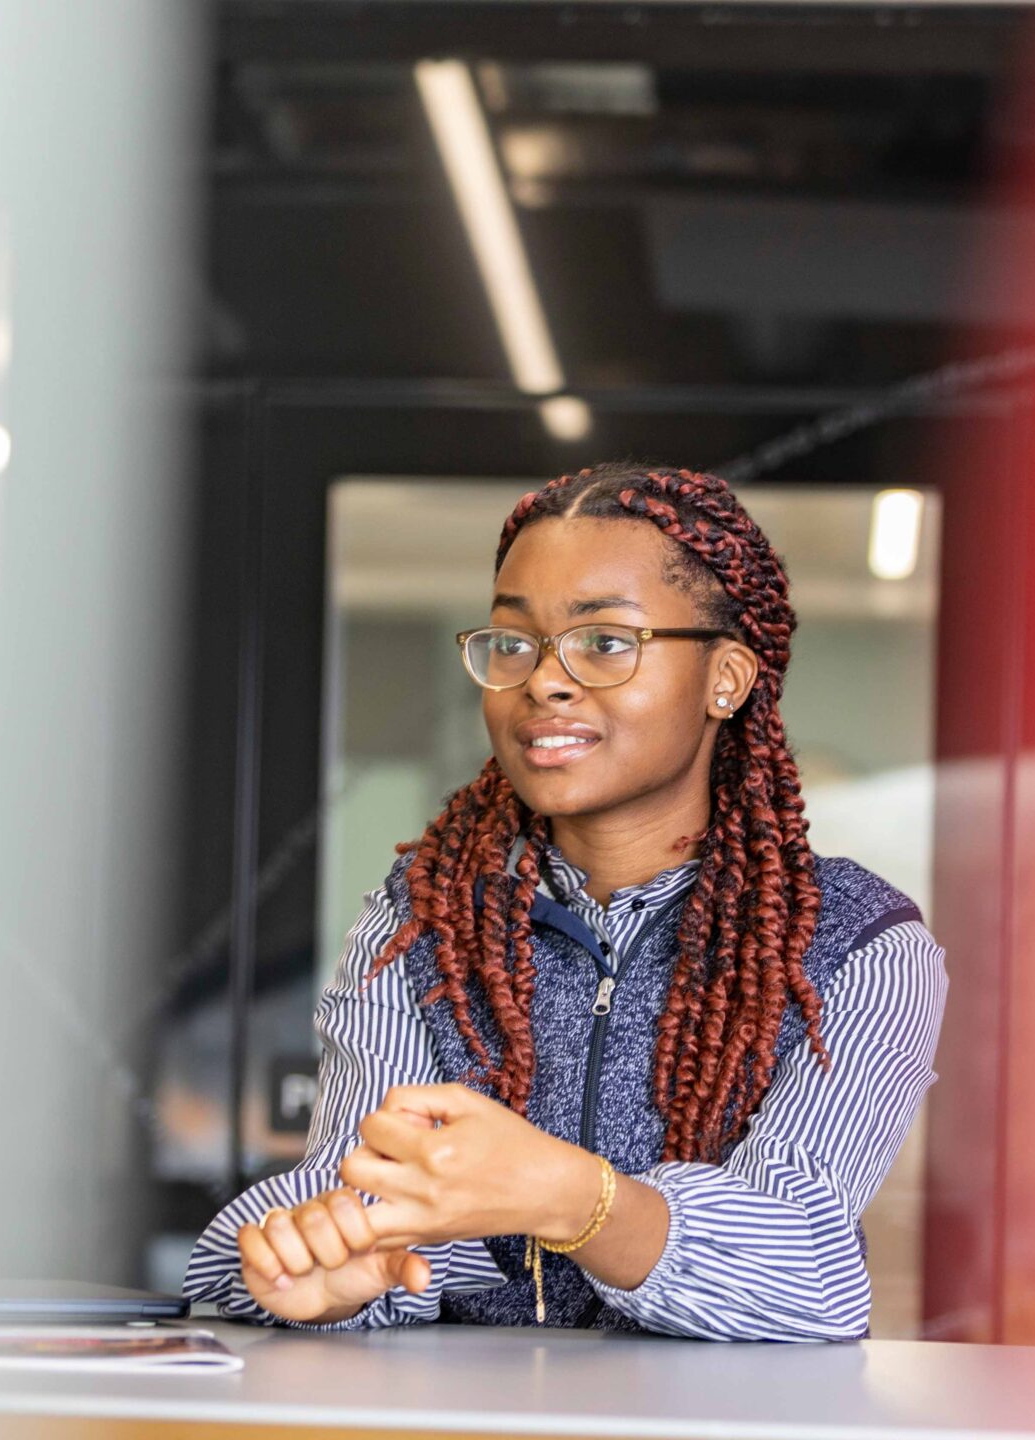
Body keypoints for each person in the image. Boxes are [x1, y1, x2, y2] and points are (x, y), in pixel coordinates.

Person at [183, 463, 948, 1340]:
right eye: (513, 644)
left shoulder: (858, 945)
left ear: (726, 679)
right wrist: (330, 1268)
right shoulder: (421, 920)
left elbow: (803, 1266)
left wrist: (567, 1197)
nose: (542, 680)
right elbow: (346, 1193)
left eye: (605, 641)